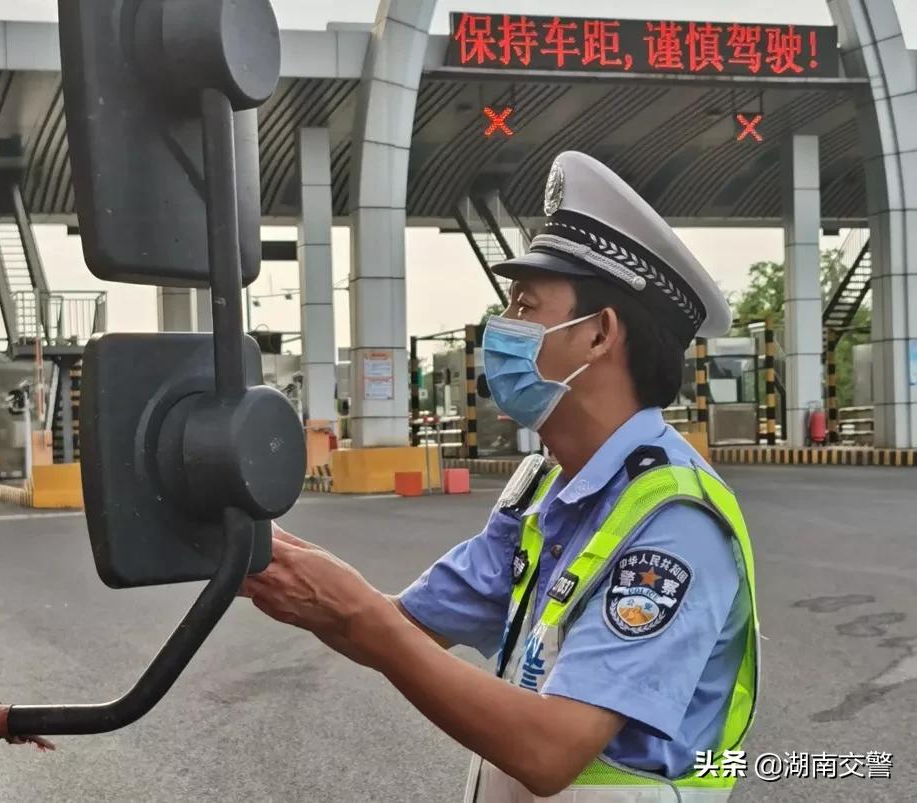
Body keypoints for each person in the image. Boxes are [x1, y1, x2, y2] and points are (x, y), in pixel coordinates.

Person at [241, 151, 759, 802]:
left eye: (524, 305)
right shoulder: (547, 488)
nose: (502, 327)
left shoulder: (673, 520)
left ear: (599, 334)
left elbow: (549, 750)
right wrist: (253, 547)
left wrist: (358, 612)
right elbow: (407, 625)